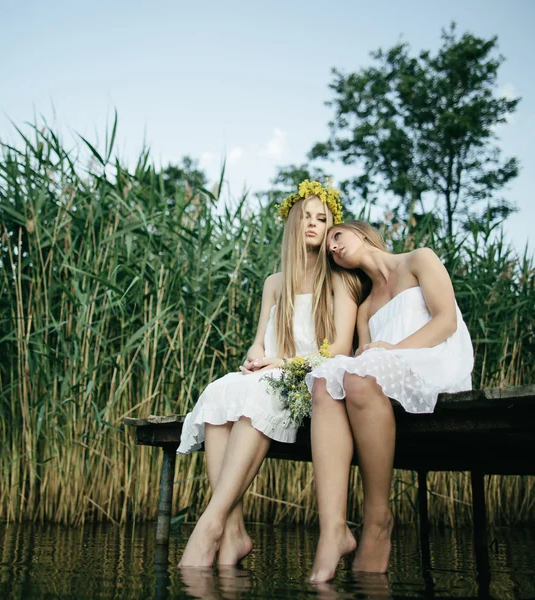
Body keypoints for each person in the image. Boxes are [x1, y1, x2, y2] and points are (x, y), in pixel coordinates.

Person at [176, 181, 358, 567]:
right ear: (292, 224)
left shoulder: (340, 281)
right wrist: (257, 357)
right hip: (270, 374)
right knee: (219, 392)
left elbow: (339, 350)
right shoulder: (274, 284)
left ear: (330, 229)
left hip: (308, 379)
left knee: (260, 394)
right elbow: (260, 342)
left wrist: (282, 365)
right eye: (305, 216)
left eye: (321, 218)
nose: (312, 223)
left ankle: (211, 524)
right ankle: (235, 531)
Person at [306, 221, 474, 583]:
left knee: (361, 373)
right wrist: (378, 354)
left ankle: (377, 518)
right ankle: (332, 528)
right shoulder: (365, 308)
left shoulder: (418, 260)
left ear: (362, 233)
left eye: (337, 236)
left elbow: (446, 321)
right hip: (384, 375)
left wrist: (394, 350)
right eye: (329, 250)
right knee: (324, 381)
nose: (333, 247)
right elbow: (365, 352)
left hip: (434, 358)